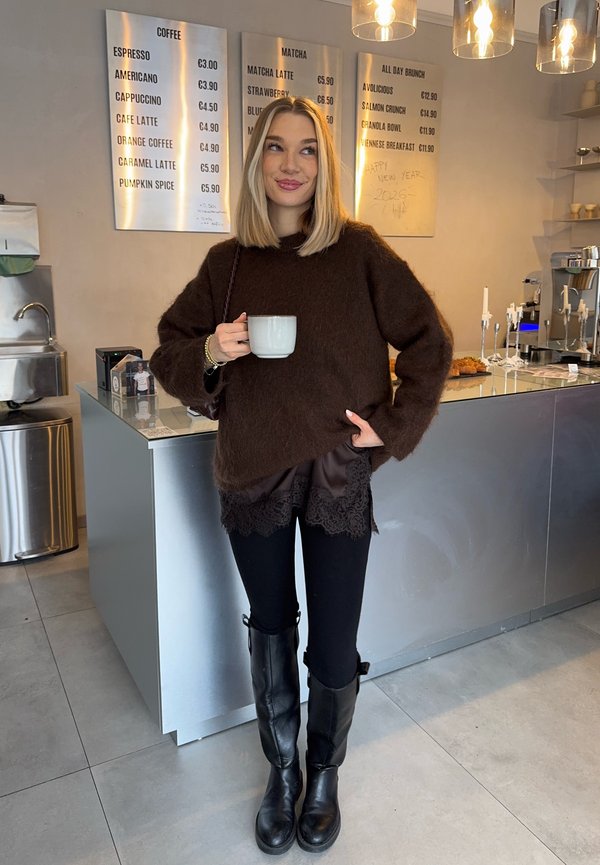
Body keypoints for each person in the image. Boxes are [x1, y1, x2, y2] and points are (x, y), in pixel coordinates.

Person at [150, 96, 452, 855]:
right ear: (256, 162)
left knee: (335, 641)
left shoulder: (359, 250)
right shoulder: (227, 265)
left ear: (324, 163)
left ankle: (324, 775)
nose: (291, 164)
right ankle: (281, 772)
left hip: (337, 474)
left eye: (307, 149)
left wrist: (392, 426)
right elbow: (168, 354)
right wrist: (213, 351)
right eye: (277, 149)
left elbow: (429, 339)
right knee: (273, 629)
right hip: (251, 470)